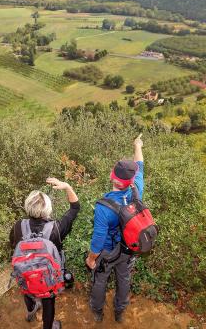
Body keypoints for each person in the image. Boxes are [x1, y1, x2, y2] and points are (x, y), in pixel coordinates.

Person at [86, 134, 144, 323]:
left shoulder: (104, 206)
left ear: (112, 176)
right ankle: (119, 311)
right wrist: (138, 146)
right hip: (128, 248)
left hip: (108, 251)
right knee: (124, 278)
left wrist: (91, 258)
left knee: (100, 279)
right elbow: (140, 165)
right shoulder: (137, 190)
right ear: (131, 180)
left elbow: (98, 238)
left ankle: (97, 311)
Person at [10, 178, 81, 329]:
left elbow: (12, 246)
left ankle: (31, 311)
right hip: (47, 278)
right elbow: (75, 208)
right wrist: (67, 187)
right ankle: (48, 326)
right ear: (47, 209)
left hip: (26, 274)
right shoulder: (56, 228)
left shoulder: (18, 226)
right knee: (48, 301)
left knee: (27, 287)